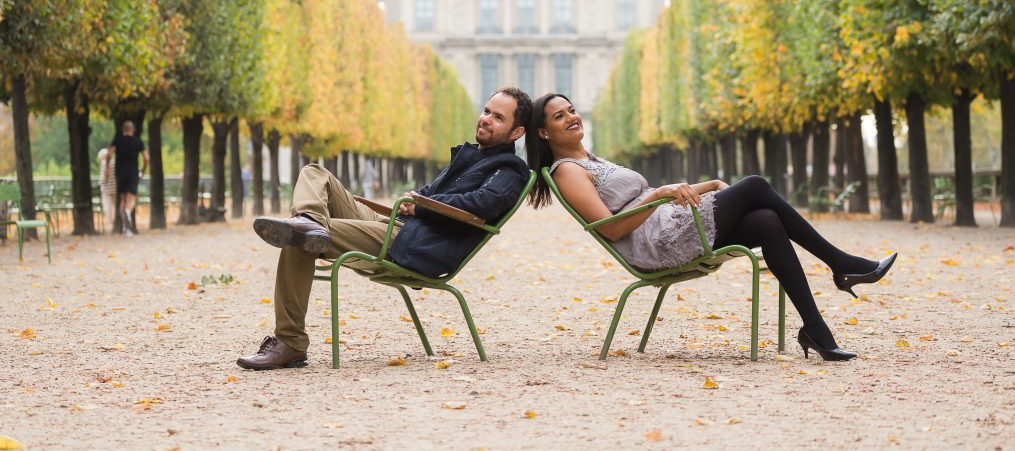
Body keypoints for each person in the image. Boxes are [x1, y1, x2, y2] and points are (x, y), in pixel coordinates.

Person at [525, 93, 897, 362]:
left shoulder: (590, 159)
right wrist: (662, 195)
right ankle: (841, 264)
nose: (571, 116)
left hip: (669, 224)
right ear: (543, 133)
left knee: (767, 221)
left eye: (571, 109)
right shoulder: (568, 170)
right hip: (657, 243)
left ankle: (817, 331)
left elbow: (653, 195)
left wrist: (705, 186)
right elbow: (610, 229)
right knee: (754, 185)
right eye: (559, 116)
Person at [237, 87, 533, 370]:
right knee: (315, 173)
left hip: (413, 243)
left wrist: (422, 204)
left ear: (517, 132)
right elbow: (430, 192)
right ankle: (309, 221)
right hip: (401, 227)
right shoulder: (472, 156)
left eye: (498, 117)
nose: (486, 119)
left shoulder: (509, 169)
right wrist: (412, 197)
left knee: (298, 237)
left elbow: (482, 203)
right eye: (487, 110)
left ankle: (290, 341)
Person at [109, 120, 148, 236]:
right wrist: (143, 170)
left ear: (123, 130)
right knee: (131, 200)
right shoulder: (138, 142)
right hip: (133, 173)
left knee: (123, 200)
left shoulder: (117, 141)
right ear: (133, 130)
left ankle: (126, 228)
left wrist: (107, 166)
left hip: (120, 173)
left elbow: (109, 154)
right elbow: (146, 158)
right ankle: (128, 216)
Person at [97, 147, 117, 231]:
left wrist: (101, 184)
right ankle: (115, 219)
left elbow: (103, 176)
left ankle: (109, 221)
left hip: (107, 188)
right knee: (114, 205)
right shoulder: (115, 162)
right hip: (115, 187)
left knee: (107, 205)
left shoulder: (104, 163)